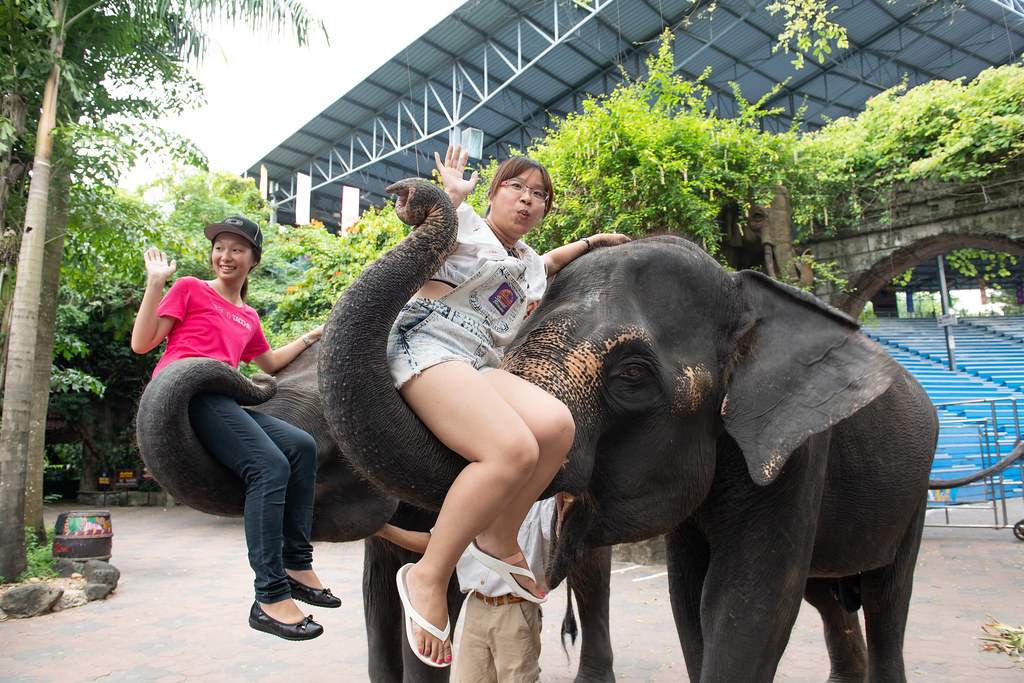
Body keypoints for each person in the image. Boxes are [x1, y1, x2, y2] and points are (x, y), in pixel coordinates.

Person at [388, 144, 629, 666]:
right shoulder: (463, 225)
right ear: (493, 193)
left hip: (478, 364)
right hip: (425, 343)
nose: (527, 199)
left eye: (539, 194)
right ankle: (428, 573)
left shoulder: (528, 266)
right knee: (512, 450)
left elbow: (545, 260)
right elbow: (421, 241)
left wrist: (590, 243)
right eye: (515, 187)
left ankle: (497, 535)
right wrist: (448, 199)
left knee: (557, 426)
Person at [131, 215, 337, 641]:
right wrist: (155, 282)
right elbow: (143, 342)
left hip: (226, 398)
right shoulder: (189, 288)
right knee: (269, 467)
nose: (225, 256)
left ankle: (296, 562)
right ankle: (269, 596)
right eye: (220, 247)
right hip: (188, 394)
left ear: (252, 260)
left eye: (237, 249)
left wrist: (313, 336)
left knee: (299, 445)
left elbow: (270, 364)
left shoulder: (248, 317)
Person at [376, 498, 556, 681]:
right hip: (476, 608)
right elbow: (435, 543)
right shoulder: (470, 500)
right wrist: (385, 531)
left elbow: (561, 533)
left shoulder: (541, 502)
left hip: (515, 609)